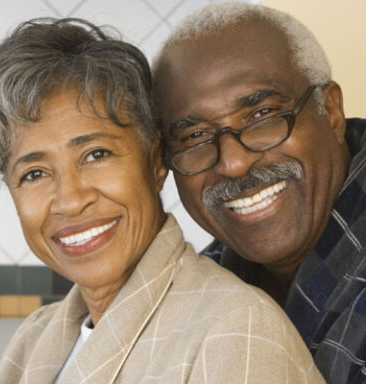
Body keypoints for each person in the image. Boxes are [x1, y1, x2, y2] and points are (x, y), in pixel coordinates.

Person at [0, 17, 322, 383]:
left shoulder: (237, 331)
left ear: (155, 163)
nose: (70, 201)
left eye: (96, 154)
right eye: (34, 174)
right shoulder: (34, 339)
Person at [152, 3, 366, 382]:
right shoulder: (198, 291)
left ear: (330, 111)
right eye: (195, 136)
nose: (233, 163)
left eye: (262, 115)